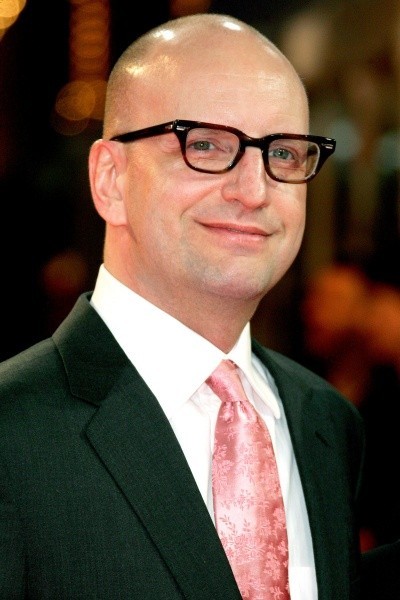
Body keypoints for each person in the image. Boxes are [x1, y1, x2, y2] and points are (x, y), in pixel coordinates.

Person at [0, 13, 364, 600]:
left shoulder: (326, 423)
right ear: (110, 180)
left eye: (284, 154)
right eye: (206, 146)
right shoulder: (13, 436)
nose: (253, 190)